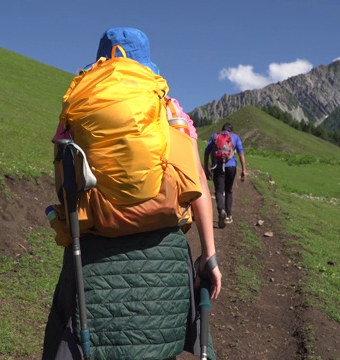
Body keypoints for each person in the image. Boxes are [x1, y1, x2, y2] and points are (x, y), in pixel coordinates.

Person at [42, 27, 221, 360]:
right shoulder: (169, 109)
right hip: (162, 260)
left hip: (93, 257)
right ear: (146, 64)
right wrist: (208, 255)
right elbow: (196, 182)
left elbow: (64, 184)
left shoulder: (80, 106)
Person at [204, 122, 247, 228]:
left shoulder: (215, 136)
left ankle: (221, 210)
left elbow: (206, 152)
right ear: (231, 131)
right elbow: (241, 153)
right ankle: (228, 216)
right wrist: (244, 170)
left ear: (222, 129)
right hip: (231, 166)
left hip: (218, 167)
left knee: (219, 191)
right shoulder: (235, 137)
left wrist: (206, 168)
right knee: (228, 190)